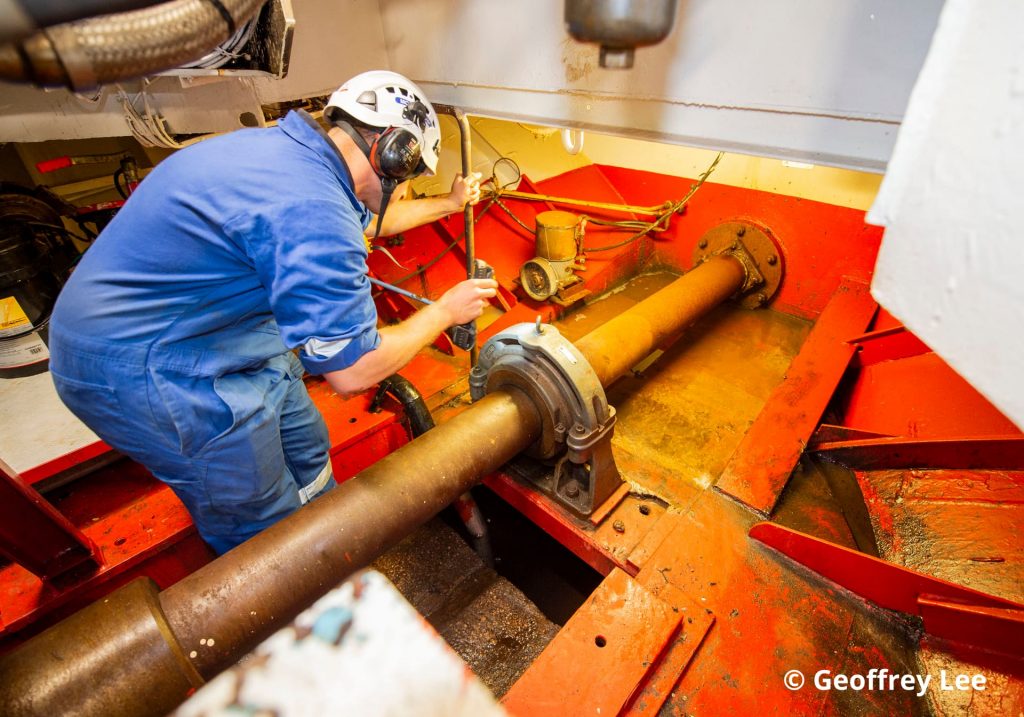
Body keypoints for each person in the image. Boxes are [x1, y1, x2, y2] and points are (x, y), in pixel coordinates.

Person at [48, 71, 496, 554]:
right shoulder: (311, 208)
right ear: (392, 155)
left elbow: (373, 219)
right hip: (141, 365)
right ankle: (290, 586)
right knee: (258, 515)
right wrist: (445, 312)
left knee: (307, 446)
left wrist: (449, 204)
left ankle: (325, 548)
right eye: (410, 178)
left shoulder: (299, 160)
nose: (406, 189)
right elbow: (352, 371)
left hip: (217, 335)